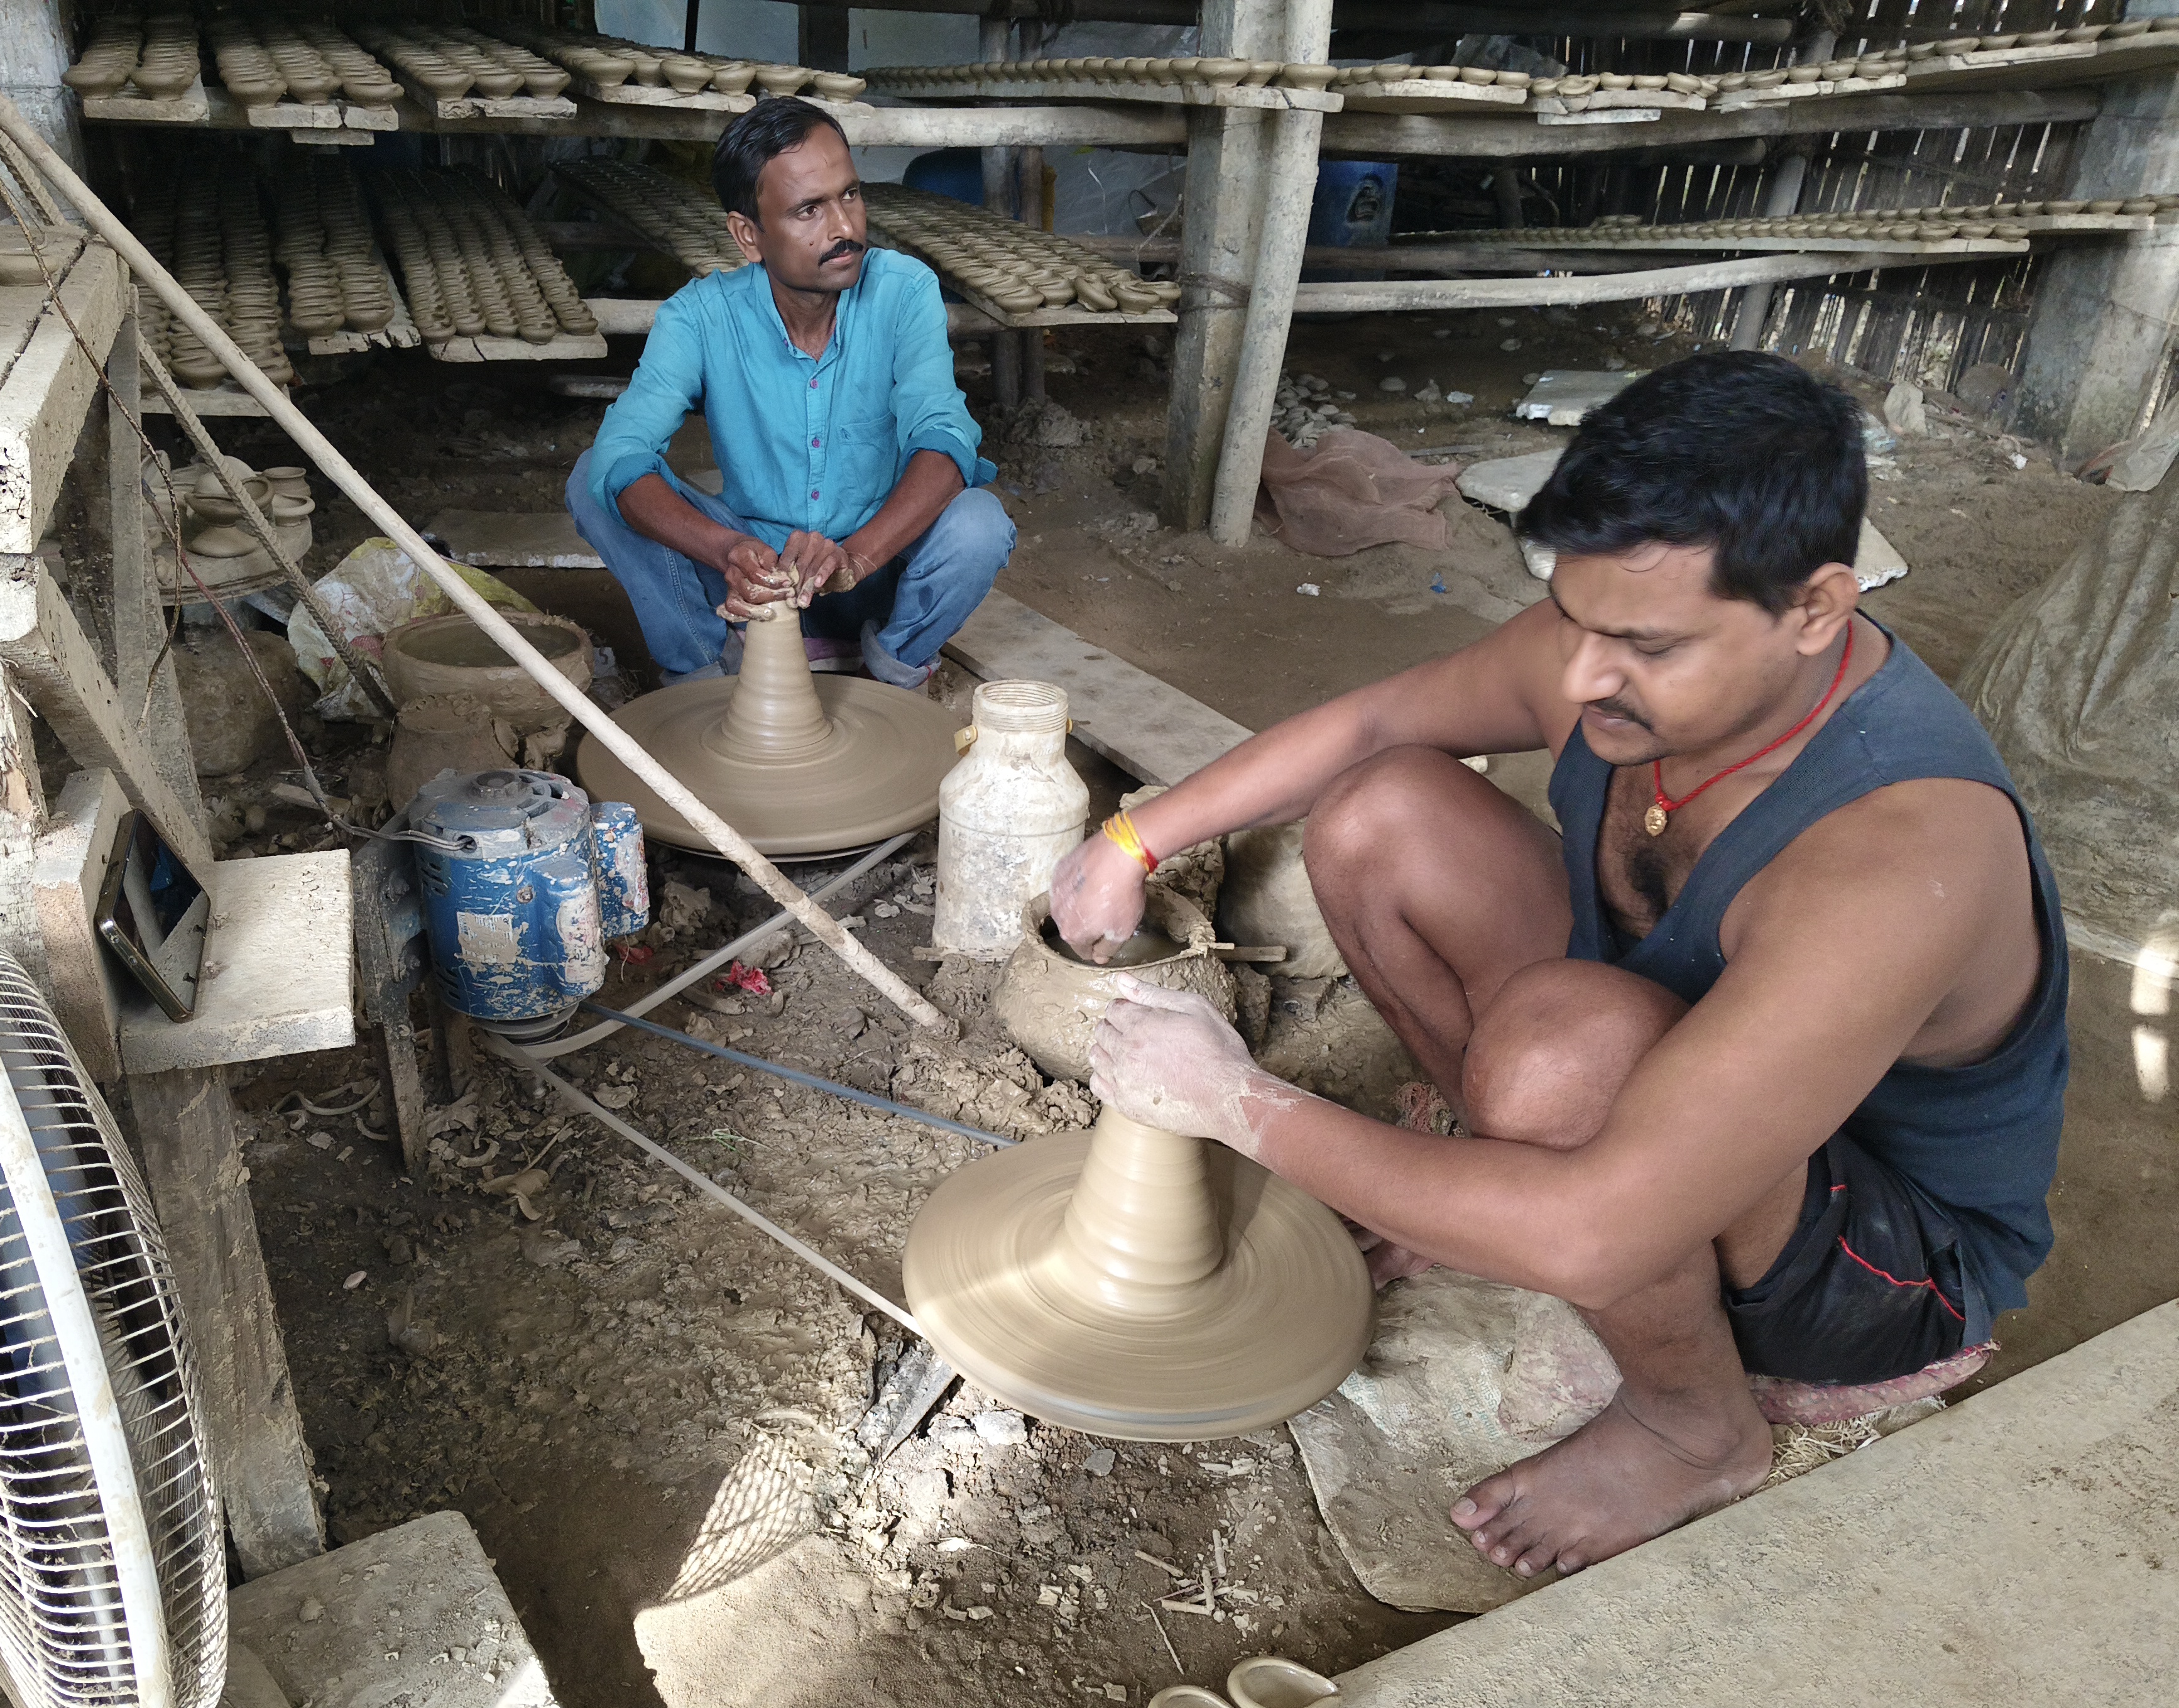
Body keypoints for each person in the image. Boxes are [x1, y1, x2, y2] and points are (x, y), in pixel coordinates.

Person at [1052, 351, 2069, 1580]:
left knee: (1556, 1058)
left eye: (1640, 644)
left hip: (1882, 1254)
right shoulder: (1626, 643)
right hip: (1678, 1073)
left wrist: (1238, 1104)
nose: (1579, 676)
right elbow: (1375, 723)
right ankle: (1495, 1178)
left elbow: (1594, 1237)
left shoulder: (1895, 854)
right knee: (1377, 814)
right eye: (1574, 620)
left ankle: (1693, 1423)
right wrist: (1131, 838)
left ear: (1814, 610)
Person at [567, 97, 1015, 687]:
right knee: (594, 477)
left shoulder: (903, 291)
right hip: (754, 579)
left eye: (850, 195)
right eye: (808, 211)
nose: (844, 228)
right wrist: (727, 549)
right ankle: (704, 673)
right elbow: (625, 452)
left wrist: (855, 558)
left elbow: (945, 434)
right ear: (748, 235)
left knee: (979, 523)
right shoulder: (701, 316)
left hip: (876, 567)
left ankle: (891, 669)